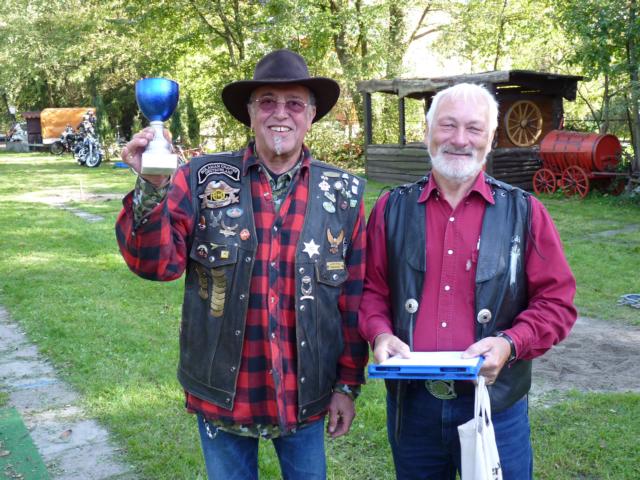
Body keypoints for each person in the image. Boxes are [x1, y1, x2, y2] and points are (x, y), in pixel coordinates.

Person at [115, 49, 368, 479]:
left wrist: (347, 385)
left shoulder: (343, 193)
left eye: (294, 103)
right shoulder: (201, 178)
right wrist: (152, 185)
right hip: (223, 393)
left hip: (306, 394)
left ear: (311, 116)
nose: (280, 113)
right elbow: (156, 265)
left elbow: (353, 300)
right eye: (267, 101)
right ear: (250, 114)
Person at [358, 83, 577, 480]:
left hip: (496, 405)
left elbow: (556, 302)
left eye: (474, 128)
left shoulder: (526, 212)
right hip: (413, 407)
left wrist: (510, 343)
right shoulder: (391, 208)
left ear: (490, 139)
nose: (460, 139)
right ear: (427, 132)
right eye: (448, 125)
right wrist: (379, 332)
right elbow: (371, 290)